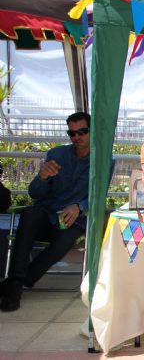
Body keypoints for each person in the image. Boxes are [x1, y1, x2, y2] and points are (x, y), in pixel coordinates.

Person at [0, 112, 94, 312]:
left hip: (72, 219)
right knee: (29, 214)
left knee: (66, 236)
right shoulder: (56, 155)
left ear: (92, 132)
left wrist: (79, 206)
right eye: (72, 133)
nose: (77, 137)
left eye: (82, 132)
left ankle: (17, 282)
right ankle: (16, 283)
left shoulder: (102, 162)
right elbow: (34, 193)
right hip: (47, 213)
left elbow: (98, 194)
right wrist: (41, 178)